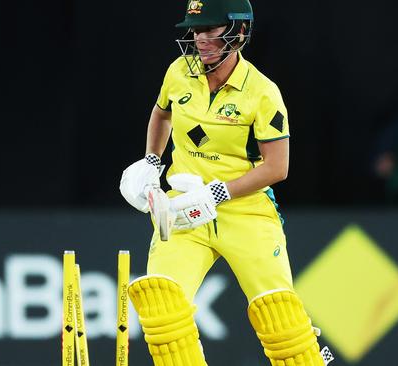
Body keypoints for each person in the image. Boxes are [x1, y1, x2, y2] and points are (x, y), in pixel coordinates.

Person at [119, 1, 330, 365]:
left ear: (240, 32)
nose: (200, 39)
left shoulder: (262, 92)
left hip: (245, 212)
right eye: (196, 30)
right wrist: (152, 162)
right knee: (161, 304)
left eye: (210, 30)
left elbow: (278, 168)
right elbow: (161, 114)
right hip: (183, 211)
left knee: (280, 319)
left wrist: (217, 194)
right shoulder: (178, 72)